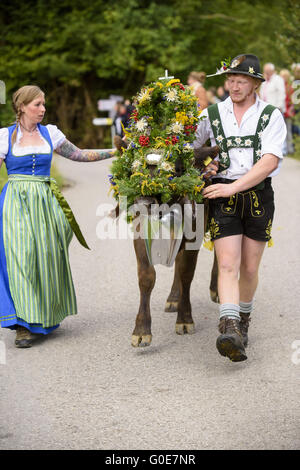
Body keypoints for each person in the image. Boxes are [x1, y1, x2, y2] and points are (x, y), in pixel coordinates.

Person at [0, 85, 114, 348]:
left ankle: (44, 317)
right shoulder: (6, 137)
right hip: (15, 202)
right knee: (22, 257)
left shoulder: (50, 133)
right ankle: (23, 326)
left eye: (43, 104)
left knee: (47, 258)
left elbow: (80, 155)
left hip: (46, 202)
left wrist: (116, 150)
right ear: (22, 107)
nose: (43, 109)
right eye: (37, 105)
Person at [194, 54, 286, 362]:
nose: (233, 86)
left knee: (249, 267)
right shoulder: (211, 114)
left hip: (258, 196)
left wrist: (235, 185)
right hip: (222, 194)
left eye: (240, 81)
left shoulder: (271, 115)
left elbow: (270, 160)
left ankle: (243, 319)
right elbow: (190, 147)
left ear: (255, 84)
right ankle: (229, 326)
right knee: (228, 264)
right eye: (230, 80)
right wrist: (201, 165)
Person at [280, 69, 295, 155]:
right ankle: (283, 149)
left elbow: (292, 101)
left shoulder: (289, 87)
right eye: (282, 76)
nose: (283, 78)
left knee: (288, 131)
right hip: (282, 111)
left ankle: (290, 149)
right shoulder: (279, 86)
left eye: (284, 76)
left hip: (288, 112)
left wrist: (290, 109)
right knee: (282, 132)